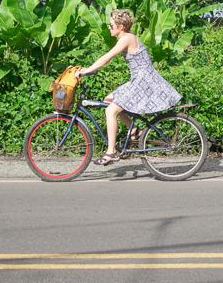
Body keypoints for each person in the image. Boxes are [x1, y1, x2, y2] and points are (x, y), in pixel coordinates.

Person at [74, 9, 181, 166]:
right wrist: (89, 70)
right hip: (140, 81)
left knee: (110, 110)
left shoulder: (127, 39)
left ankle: (111, 152)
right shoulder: (126, 38)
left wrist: (86, 71)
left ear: (121, 26)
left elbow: (106, 58)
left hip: (143, 83)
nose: (109, 28)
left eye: (111, 25)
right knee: (108, 100)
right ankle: (134, 130)